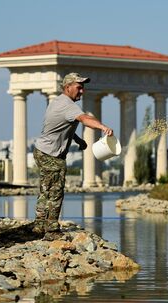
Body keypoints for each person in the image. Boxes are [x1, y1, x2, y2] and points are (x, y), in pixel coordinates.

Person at [32, 72, 113, 234]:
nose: (82, 91)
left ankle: (39, 225)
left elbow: (62, 124)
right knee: (56, 191)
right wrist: (102, 127)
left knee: (46, 189)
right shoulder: (69, 106)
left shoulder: (57, 102)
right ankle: (51, 229)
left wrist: (77, 139)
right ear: (68, 87)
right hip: (52, 155)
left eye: (83, 87)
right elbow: (84, 119)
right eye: (79, 87)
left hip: (41, 150)